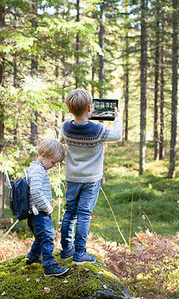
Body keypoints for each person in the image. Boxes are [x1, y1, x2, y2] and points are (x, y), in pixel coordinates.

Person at [60, 89, 122, 264]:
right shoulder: (98, 130)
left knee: (70, 212)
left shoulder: (65, 128)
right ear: (90, 108)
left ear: (69, 109)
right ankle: (80, 253)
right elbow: (117, 135)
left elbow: (78, 125)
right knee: (84, 213)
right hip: (91, 179)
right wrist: (117, 118)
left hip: (72, 177)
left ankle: (66, 250)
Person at [25, 139, 69, 277]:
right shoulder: (38, 170)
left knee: (40, 237)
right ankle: (49, 266)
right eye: (53, 162)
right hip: (39, 213)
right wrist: (48, 207)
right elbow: (36, 191)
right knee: (48, 237)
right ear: (43, 155)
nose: (53, 166)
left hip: (36, 212)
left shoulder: (36, 167)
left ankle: (32, 258)